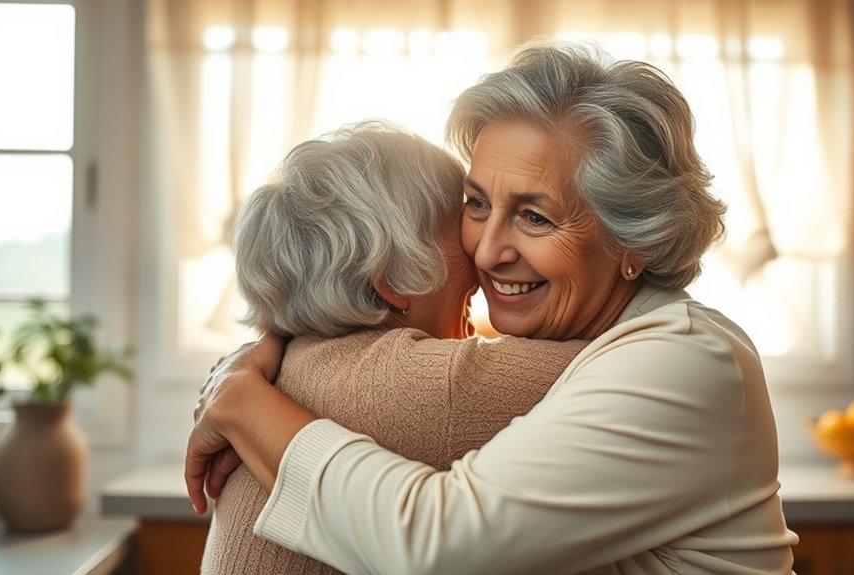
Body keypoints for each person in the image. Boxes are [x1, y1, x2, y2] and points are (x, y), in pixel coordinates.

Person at [187, 42, 799, 574]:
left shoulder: (684, 361)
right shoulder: (567, 337)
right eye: (476, 204)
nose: (488, 250)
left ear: (631, 239)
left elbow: (438, 550)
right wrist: (269, 346)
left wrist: (244, 395)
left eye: (535, 216)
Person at [198, 121, 588, 574]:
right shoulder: (421, 382)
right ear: (395, 281)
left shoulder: (299, 363)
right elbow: (634, 359)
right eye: (465, 218)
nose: (483, 251)